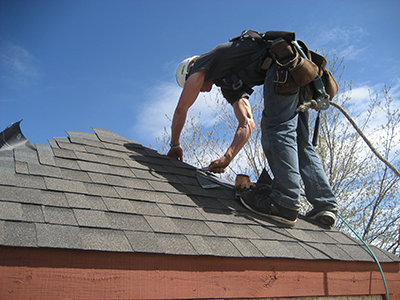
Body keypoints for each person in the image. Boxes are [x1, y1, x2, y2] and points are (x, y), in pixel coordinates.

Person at [167, 31, 337, 227]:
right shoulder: (228, 83)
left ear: (189, 72)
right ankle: (324, 205)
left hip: (285, 66)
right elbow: (247, 123)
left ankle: (286, 202)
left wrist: (175, 144)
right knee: (301, 142)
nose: (199, 89)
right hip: (299, 69)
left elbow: (182, 108)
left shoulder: (204, 62)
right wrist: (228, 157)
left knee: (277, 129)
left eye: (189, 82)